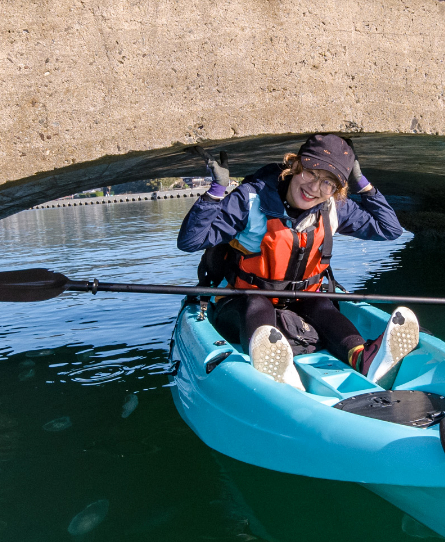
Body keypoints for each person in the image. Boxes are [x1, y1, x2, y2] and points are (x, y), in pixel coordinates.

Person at [177, 134, 418, 389]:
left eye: (329, 183)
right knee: (258, 303)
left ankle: (362, 358)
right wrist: (216, 191)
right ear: (295, 166)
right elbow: (190, 241)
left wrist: (362, 184)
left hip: (300, 300)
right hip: (241, 304)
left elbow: (390, 229)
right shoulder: (250, 200)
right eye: (311, 173)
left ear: (338, 190)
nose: (315, 188)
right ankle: (275, 368)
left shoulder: (334, 205)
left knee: (322, 304)